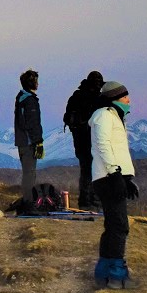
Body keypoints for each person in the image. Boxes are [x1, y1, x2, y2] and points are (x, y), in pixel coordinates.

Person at [89, 80, 137, 287]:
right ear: (115, 98)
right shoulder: (104, 116)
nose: (129, 100)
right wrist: (115, 173)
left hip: (113, 176)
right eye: (125, 96)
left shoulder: (114, 117)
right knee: (119, 226)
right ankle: (117, 275)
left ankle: (103, 271)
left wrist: (127, 178)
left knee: (113, 225)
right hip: (108, 178)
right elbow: (103, 145)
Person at [63, 70, 104, 209]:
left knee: (86, 170)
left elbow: (67, 118)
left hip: (80, 141)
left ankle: (85, 202)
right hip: (93, 140)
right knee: (96, 170)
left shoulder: (76, 96)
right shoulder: (98, 99)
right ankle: (93, 202)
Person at [14, 69, 43, 200]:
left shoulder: (21, 98)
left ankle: (28, 201)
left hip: (22, 141)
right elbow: (32, 123)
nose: (37, 83)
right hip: (28, 142)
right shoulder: (29, 101)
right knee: (29, 174)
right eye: (35, 80)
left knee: (28, 173)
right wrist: (38, 142)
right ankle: (28, 202)